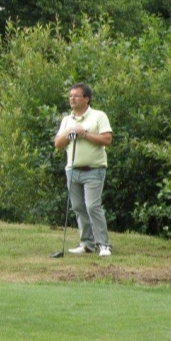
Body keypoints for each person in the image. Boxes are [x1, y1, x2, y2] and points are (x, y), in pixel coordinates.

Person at [54, 83, 113, 257]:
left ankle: (103, 244)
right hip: (72, 170)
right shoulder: (67, 120)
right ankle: (87, 243)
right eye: (70, 95)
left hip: (94, 169)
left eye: (76, 96)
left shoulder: (98, 116)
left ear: (86, 98)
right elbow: (58, 144)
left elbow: (107, 139)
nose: (72, 98)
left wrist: (84, 133)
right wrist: (70, 132)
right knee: (79, 207)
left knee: (92, 206)